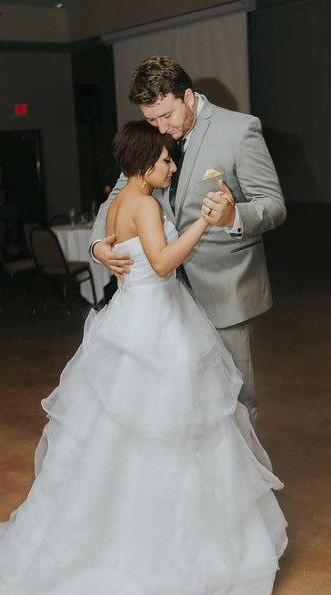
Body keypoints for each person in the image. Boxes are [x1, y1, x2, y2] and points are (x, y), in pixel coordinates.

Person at [0, 120, 287, 595]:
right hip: (157, 323)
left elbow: (126, 250)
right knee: (170, 429)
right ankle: (164, 545)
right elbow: (160, 264)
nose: (173, 166)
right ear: (142, 167)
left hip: (132, 319)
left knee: (118, 435)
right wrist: (202, 224)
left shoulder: (121, 200)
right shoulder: (147, 204)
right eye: (164, 161)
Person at [90, 56, 286, 428]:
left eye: (166, 116)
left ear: (189, 97)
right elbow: (121, 189)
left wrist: (234, 217)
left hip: (224, 286)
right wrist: (100, 241)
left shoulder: (240, 130)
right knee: (182, 397)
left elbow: (274, 205)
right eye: (151, 120)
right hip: (166, 296)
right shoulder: (157, 132)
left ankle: (244, 483)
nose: (161, 128)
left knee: (235, 396)